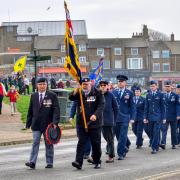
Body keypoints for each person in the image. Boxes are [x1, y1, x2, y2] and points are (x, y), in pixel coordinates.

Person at [69, 77, 105, 169]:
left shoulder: (97, 92)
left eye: (87, 84)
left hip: (94, 123)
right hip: (81, 123)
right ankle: (78, 162)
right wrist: (76, 90)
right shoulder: (80, 93)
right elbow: (71, 97)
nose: (85, 86)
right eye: (83, 84)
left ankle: (97, 161)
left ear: (91, 84)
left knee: (95, 143)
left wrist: (95, 115)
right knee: (81, 142)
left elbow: (101, 105)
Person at [25, 77, 60, 169]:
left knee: (48, 143)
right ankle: (32, 162)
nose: (42, 86)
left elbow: (56, 110)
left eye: (44, 84)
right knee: (35, 142)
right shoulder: (34, 95)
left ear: (46, 85)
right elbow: (30, 110)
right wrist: (28, 123)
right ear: (37, 85)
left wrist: (55, 122)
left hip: (48, 124)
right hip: (36, 124)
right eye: (40, 84)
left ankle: (49, 162)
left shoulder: (52, 95)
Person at [112, 75, 135, 160]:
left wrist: (132, 118)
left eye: (121, 81)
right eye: (119, 81)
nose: (120, 83)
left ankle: (120, 153)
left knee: (122, 136)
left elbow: (132, 106)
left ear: (125, 83)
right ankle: (127, 144)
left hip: (125, 118)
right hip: (115, 118)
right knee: (118, 136)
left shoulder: (129, 93)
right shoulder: (113, 92)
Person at [99, 80, 118, 163]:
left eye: (104, 85)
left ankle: (111, 156)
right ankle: (95, 156)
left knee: (110, 139)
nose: (103, 86)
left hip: (108, 121)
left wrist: (114, 120)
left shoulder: (111, 95)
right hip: (99, 121)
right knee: (102, 138)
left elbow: (116, 108)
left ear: (107, 86)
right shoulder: (97, 94)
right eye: (101, 85)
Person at [144, 80, 165, 154]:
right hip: (150, 117)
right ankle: (156, 144)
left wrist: (164, 118)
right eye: (151, 86)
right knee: (151, 132)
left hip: (158, 116)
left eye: (153, 86)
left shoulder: (160, 94)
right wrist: (145, 117)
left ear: (156, 86)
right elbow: (146, 107)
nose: (152, 87)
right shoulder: (148, 95)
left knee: (156, 132)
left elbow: (163, 107)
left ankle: (154, 148)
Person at [160, 81, 180, 150]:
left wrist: (178, 114)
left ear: (171, 87)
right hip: (165, 116)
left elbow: (178, 106)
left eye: (168, 86)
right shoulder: (162, 95)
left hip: (173, 116)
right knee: (164, 130)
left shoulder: (175, 95)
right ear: (164, 87)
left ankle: (174, 144)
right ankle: (163, 143)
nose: (167, 88)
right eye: (166, 86)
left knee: (173, 130)